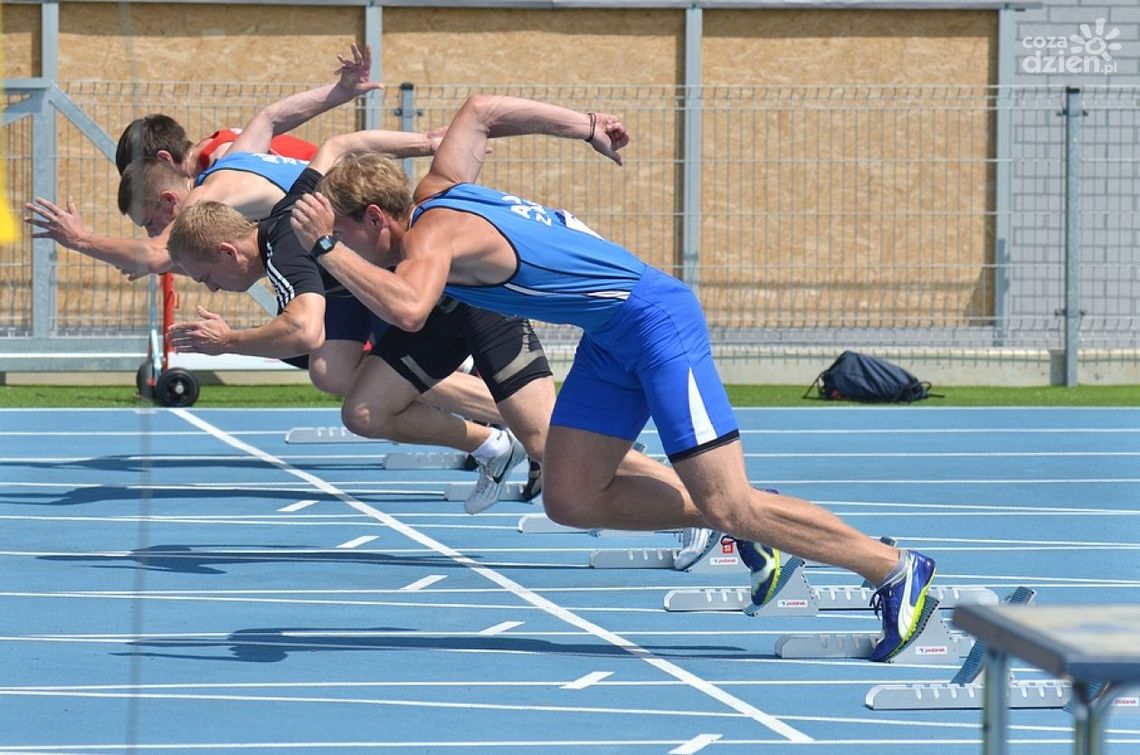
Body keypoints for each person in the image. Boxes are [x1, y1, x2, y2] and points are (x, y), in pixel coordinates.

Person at [287, 95, 938, 660]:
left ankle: (892, 568)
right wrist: (585, 124)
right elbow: (482, 111)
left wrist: (323, 249)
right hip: (611, 339)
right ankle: (750, 516)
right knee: (570, 496)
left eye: (343, 232)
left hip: (657, 323)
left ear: (376, 219)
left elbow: (406, 306)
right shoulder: (436, 187)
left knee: (729, 502)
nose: (338, 245)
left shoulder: (433, 238)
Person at [165, 127, 557, 513]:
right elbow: (340, 144)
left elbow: (304, 330)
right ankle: (494, 445)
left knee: (548, 441)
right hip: (425, 311)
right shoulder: (291, 204)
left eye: (208, 278)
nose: (212, 288)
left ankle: (590, 457)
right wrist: (425, 143)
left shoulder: (286, 254)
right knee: (362, 410)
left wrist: (229, 342)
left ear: (229, 252)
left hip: (464, 297)